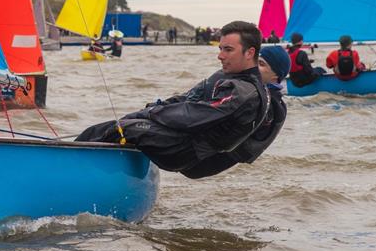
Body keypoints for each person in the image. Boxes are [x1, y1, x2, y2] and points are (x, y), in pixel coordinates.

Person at [75, 21, 270, 178]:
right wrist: (152, 108)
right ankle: (92, 170)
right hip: (180, 139)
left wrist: (150, 113)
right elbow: (187, 98)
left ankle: (71, 171)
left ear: (250, 52)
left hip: (187, 151)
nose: (220, 55)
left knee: (120, 129)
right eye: (220, 48)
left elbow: (192, 115)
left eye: (228, 50)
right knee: (114, 124)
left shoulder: (245, 92)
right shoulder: (227, 76)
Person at [180, 44, 289, 178]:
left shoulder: (269, 105)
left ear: (276, 76)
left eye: (261, 64)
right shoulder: (239, 82)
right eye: (254, 61)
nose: (254, 66)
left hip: (201, 161)